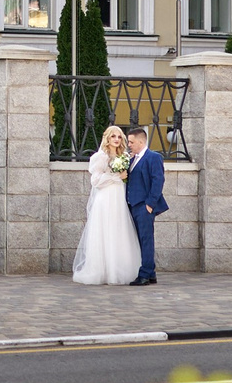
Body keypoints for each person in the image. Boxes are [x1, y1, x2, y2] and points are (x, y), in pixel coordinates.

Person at [71, 125, 140, 285]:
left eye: (119, 136)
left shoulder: (124, 156)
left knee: (118, 229)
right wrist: (116, 177)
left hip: (118, 197)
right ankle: (102, 270)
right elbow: (95, 181)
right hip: (106, 197)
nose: (116, 139)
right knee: (105, 230)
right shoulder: (101, 156)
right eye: (113, 136)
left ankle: (117, 269)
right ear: (107, 138)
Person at [123, 122, 169, 285]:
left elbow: (158, 181)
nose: (129, 145)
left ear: (141, 142)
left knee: (146, 239)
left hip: (144, 206)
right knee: (140, 240)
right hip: (132, 205)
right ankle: (151, 274)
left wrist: (149, 204)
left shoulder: (153, 157)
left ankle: (144, 274)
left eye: (131, 142)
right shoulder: (131, 159)